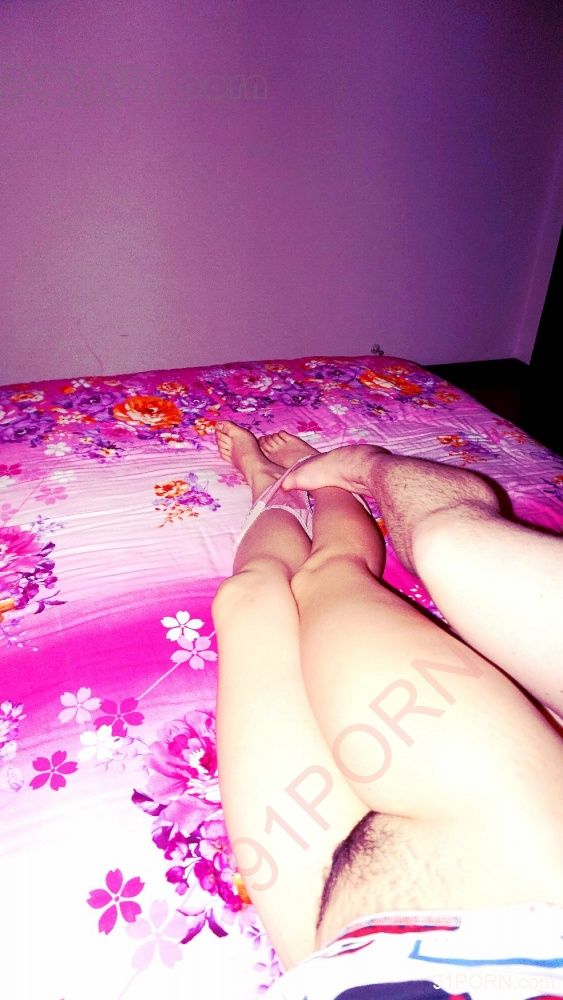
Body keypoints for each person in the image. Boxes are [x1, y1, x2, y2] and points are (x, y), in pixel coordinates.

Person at [212, 422, 563, 1000]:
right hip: (527, 889)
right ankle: (314, 478)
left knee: (246, 597)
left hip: (335, 964)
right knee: (329, 572)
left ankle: (270, 480)